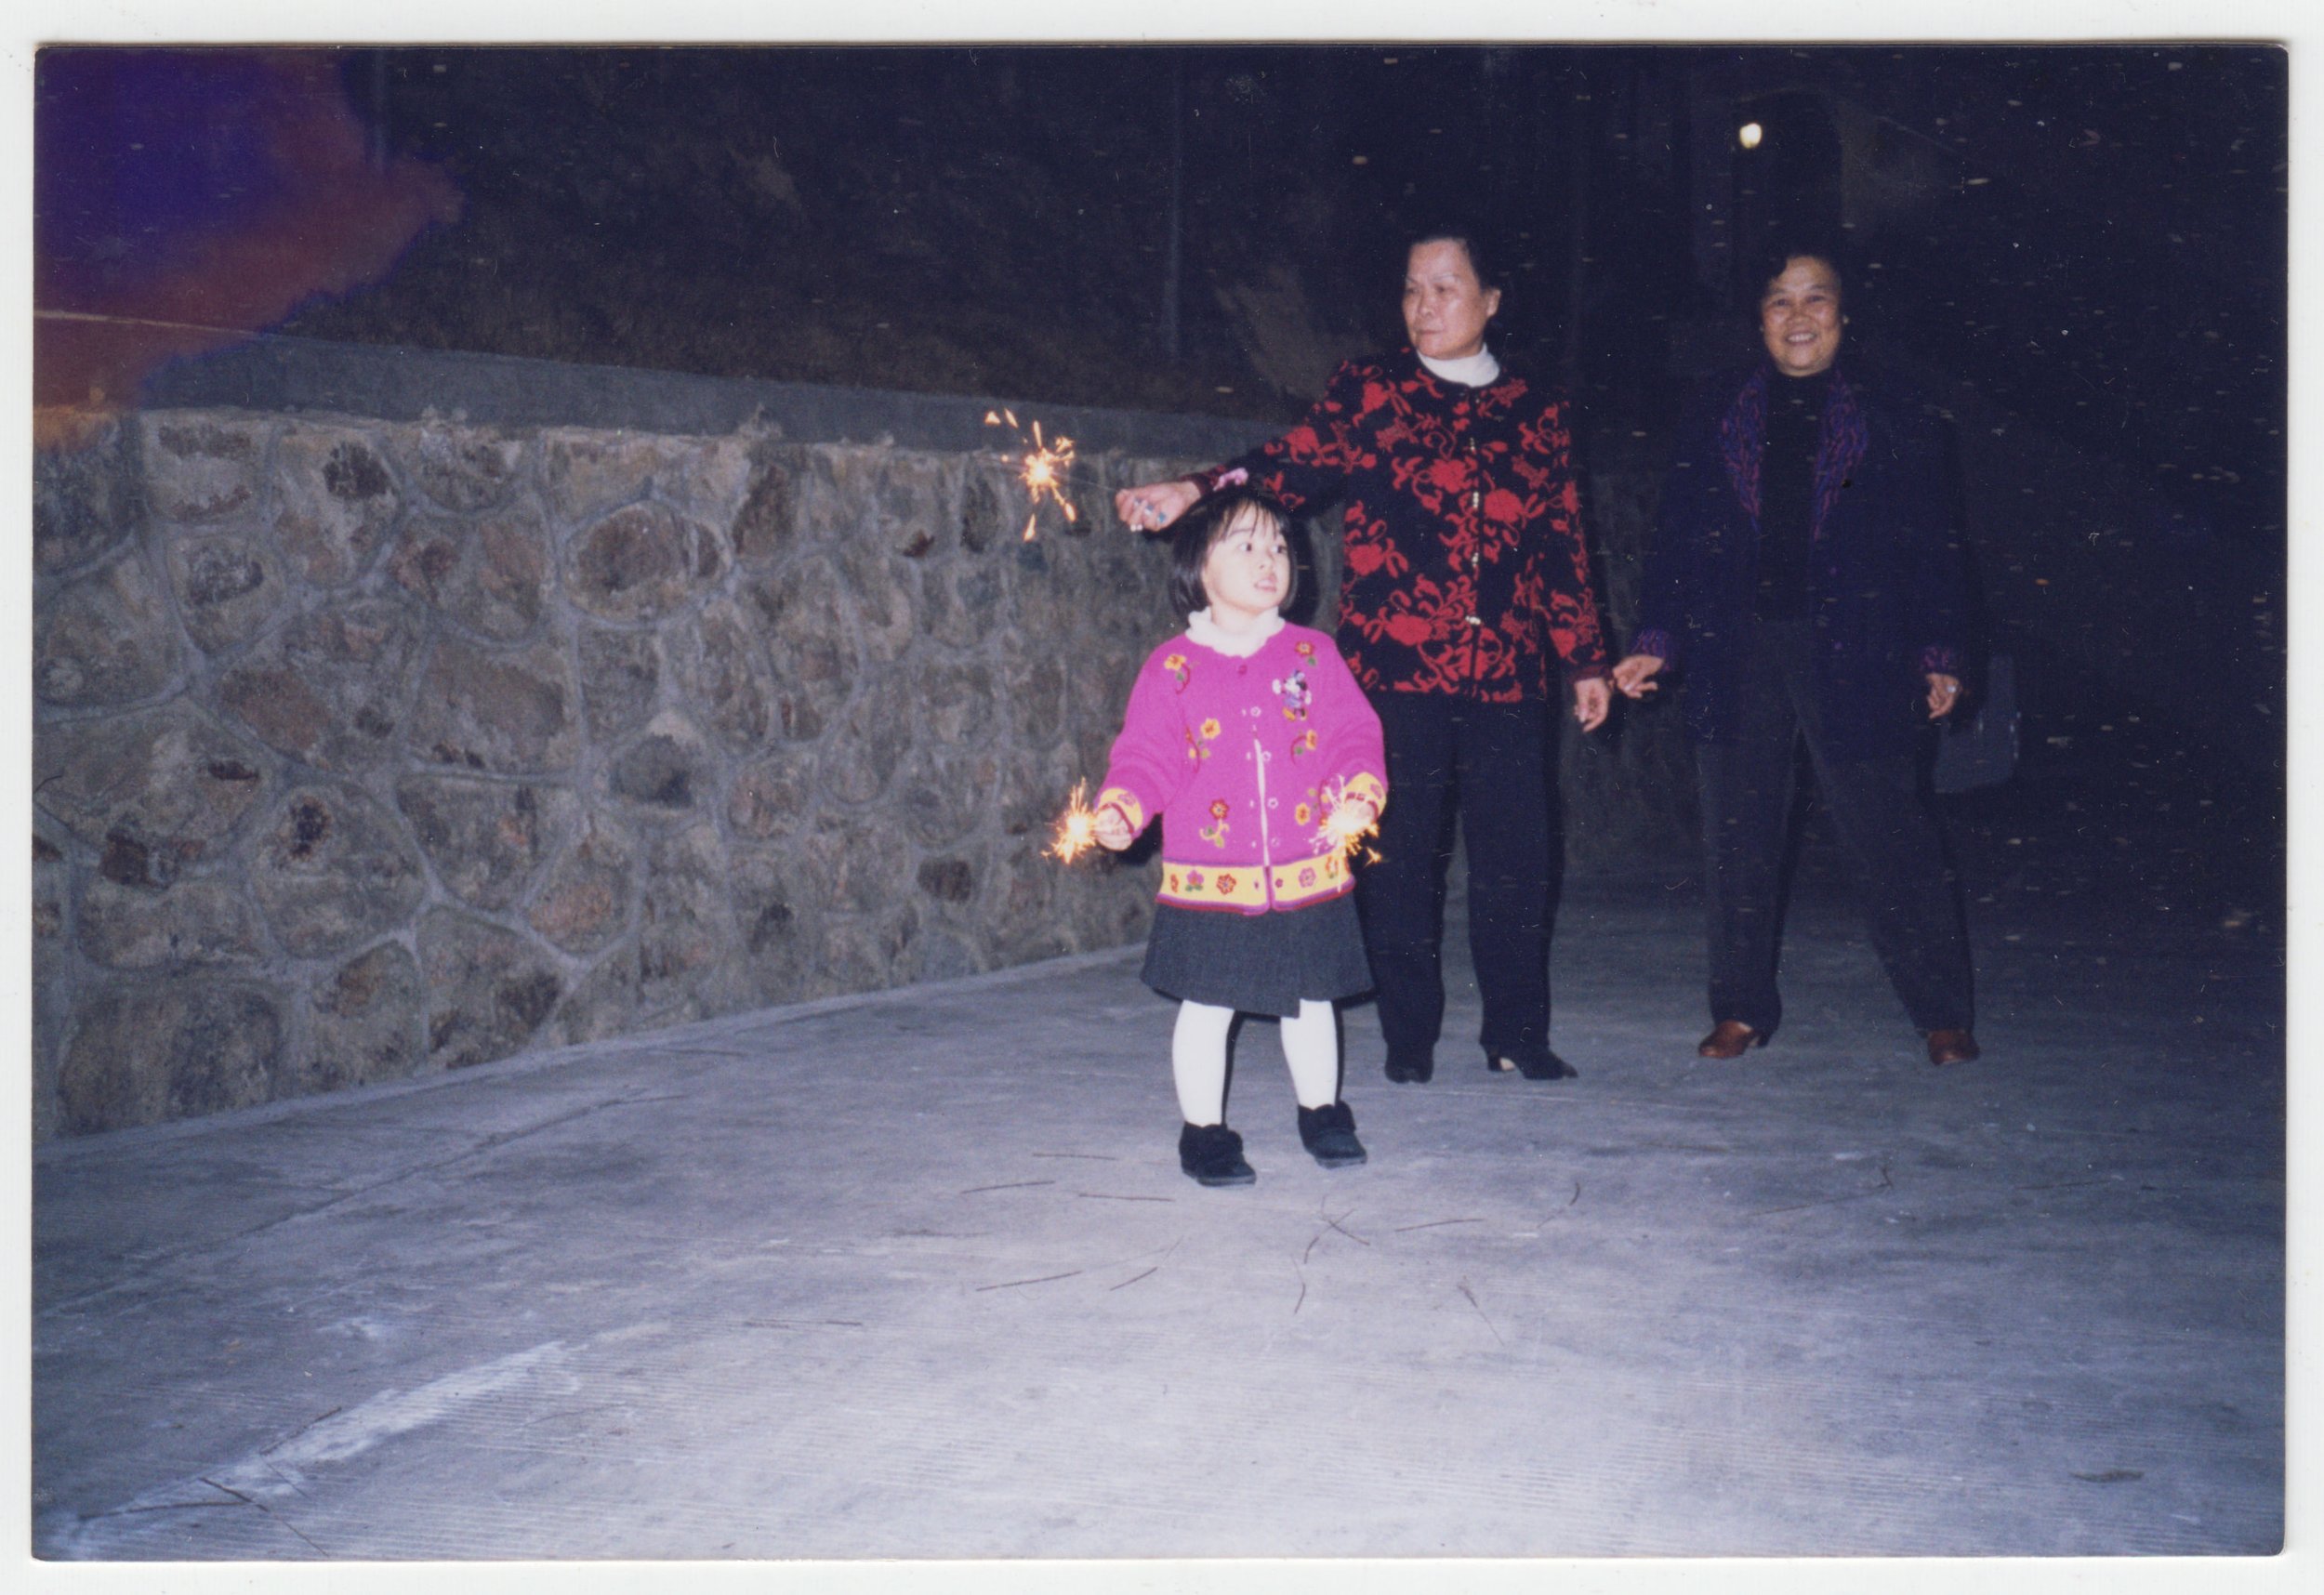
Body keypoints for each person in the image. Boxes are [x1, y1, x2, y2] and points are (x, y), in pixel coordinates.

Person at [1116, 229, 1611, 1087]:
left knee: (1517, 860)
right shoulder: (1374, 391)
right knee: (1397, 860)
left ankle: (1517, 1033)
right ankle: (1408, 1036)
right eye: (1413, 289)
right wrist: (1195, 490)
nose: (1425, 306)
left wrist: (1585, 658)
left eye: (1447, 288)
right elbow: (1288, 465)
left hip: (1506, 674)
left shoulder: (1540, 410)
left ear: (1492, 301)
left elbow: (1562, 539)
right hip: (1391, 675)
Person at [1611, 245, 1981, 1068]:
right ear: (1760, 318)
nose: (1799, 316)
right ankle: (1740, 1007)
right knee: (1738, 836)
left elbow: (1934, 543)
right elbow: (1677, 536)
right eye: (1780, 300)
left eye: (1816, 298)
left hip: (1861, 649)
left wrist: (1940, 652)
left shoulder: (1896, 410)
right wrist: (1656, 642)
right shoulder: (1716, 409)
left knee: (1889, 834)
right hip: (1738, 647)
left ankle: (1941, 1013)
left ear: (1844, 313)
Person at [1093, 491, 1389, 1186]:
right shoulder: (1173, 668)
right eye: (1247, 546)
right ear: (1199, 565)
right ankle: (1204, 1133)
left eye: (1279, 547)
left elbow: (1352, 734)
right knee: (1208, 1007)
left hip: (1308, 873)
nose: (1269, 560)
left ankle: (1322, 1112)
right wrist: (1124, 805)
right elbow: (1148, 756)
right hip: (1212, 882)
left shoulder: (1314, 654)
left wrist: (1359, 787)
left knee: (1313, 1000)